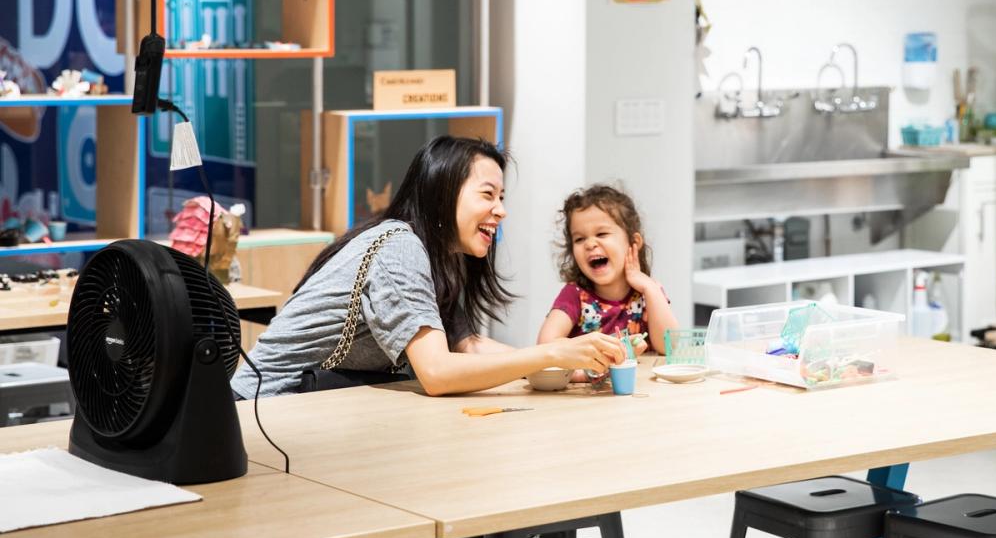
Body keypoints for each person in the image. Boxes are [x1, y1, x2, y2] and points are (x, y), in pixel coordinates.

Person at [230, 136, 627, 401]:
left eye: (502, 196)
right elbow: (436, 372)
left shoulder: (440, 256)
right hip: (265, 410)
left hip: (319, 408)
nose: (501, 210)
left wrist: (559, 367)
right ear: (442, 193)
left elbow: (465, 344)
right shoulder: (399, 247)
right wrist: (548, 354)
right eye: (487, 194)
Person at [537, 184, 680, 380]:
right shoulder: (575, 294)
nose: (590, 244)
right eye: (579, 239)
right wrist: (584, 373)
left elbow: (670, 347)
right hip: (588, 397)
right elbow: (546, 347)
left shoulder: (649, 292)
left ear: (633, 243)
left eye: (602, 234)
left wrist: (649, 288)